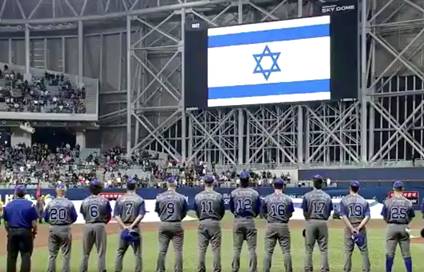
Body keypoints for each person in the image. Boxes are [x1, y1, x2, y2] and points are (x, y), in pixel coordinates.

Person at [229, 170, 261, 272]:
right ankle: (252, 269)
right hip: (250, 220)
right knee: (252, 248)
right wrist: (253, 215)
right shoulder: (255, 193)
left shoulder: (233, 193)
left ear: (240, 181)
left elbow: (232, 208)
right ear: (248, 180)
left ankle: (235, 268)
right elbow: (257, 209)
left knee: (237, 249)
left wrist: (237, 215)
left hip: (238, 220)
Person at [155, 176, 188, 272]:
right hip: (177, 223)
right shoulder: (181, 197)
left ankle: (160, 269)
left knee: (162, 250)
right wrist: (178, 218)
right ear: (176, 185)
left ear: (167, 184)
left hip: (164, 223)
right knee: (178, 250)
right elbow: (184, 212)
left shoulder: (160, 196)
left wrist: (164, 217)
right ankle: (178, 270)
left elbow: (157, 210)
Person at [3, 185, 39, 272]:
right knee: (26, 255)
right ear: (25, 193)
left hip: (12, 231)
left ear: (15, 193)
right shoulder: (30, 205)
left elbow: (5, 222)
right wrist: (34, 232)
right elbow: (34, 223)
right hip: (26, 232)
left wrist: (9, 231)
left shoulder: (8, 205)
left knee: (11, 256)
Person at [193, 175, 225, 272]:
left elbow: (196, 211)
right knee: (216, 249)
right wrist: (217, 219)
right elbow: (222, 211)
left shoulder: (197, 196)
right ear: (213, 183)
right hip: (214, 222)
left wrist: (201, 218)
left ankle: (201, 269)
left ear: (204, 183)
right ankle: (216, 269)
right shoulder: (218, 196)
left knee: (202, 249)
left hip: (202, 222)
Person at [381, 180, 415, 272]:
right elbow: (411, 217)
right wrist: (406, 223)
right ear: (403, 189)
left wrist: (390, 223)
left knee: (390, 253)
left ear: (393, 189)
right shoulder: (408, 202)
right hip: (404, 227)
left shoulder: (387, 202)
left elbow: (384, 217)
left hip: (391, 226)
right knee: (406, 253)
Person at [262, 178, 294, 272]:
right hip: (283, 225)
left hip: (271, 225)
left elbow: (263, 212)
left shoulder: (267, 198)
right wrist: (285, 218)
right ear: (283, 186)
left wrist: (268, 218)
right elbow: (290, 213)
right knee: (286, 252)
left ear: (273, 186)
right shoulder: (287, 199)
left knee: (268, 252)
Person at [302, 175, 333, 272]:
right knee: (323, 249)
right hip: (322, 222)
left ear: (313, 183)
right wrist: (324, 219)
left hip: (311, 221)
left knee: (309, 249)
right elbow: (328, 212)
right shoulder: (327, 196)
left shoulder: (307, 195)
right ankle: (325, 269)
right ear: (321, 183)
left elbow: (305, 212)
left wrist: (308, 221)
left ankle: (308, 268)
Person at [79, 179, 112, 272]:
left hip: (88, 225)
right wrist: (103, 222)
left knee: (85, 252)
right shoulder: (104, 201)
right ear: (100, 189)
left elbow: (83, 214)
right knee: (101, 251)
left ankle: (83, 269)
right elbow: (108, 216)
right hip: (100, 225)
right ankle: (101, 270)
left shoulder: (85, 201)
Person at [114, 179, 146, 272]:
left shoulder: (120, 199)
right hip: (134, 228)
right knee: (137, 253)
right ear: (135, 186)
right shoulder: (139, 199)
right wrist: (132, 226)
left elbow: (116, 215)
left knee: (120, 252)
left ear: (126, 187)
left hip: (123, 228)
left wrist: (124, 227)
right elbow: (141, 215)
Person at [44, 184, 78, 272]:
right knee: (66, 254)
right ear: (64, 191)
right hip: (65, 228)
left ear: (56, 191)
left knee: (52, 255)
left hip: (53, 228)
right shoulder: (69, 203)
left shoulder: (50, 203)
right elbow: (74, 217)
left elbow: (46, 218)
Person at [339, 180, 371, 272]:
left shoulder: (344, 200)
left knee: (348, 252)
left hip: (349, 228)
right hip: (360, 228)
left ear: (350, 188)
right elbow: (367, 216)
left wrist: (352, 228)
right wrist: (359, 228)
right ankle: (366, 269)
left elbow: (344, 216)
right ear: (358, 189)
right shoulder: (364, 201)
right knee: (364, 251)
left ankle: (347, 269)